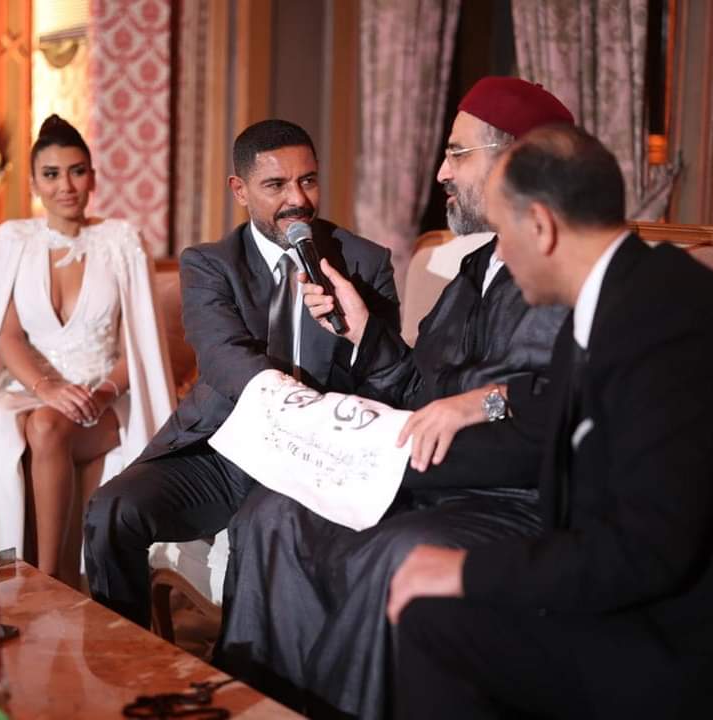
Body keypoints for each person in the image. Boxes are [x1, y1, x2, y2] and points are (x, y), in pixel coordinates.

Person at [390, 124, 713, 719]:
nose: (497, 256)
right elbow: (559, 409)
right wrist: (415, 442)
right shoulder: (618, 298)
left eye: (502, 233)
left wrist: (468, 570)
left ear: (541, 226)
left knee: (439, 620)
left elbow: (646, 549)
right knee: (439, 616)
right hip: (661, 614)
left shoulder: (670, 323)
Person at [216, 78, 574, 719]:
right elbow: (420, 389)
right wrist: (362, 333)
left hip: (508, 499)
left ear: (518, 160)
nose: (441, 173)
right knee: (272, 514)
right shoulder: (474, 269)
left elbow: (541, 407)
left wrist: (398, 455)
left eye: (457, 153)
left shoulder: (561, 271)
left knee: (394, 553)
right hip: (425, 475)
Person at [83, 119, 400, 627]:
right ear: (240, 190)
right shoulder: (209, 264)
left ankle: (241, 669)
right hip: (222, 447)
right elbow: (223, 357)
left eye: (308, 180)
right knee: (111, 510)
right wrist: (293, 405)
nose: (298, 199)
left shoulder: (363, 262)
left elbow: (386, 378)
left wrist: (357, 333)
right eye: (276, 185)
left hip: (311, 456)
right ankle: (124, 660)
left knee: (258, 531)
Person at [0, 115, 175, 583]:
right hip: (32, 390)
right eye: (52, 174)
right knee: (25, 420)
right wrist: (48, 387)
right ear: (34, 183)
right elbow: (7, 336)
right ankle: (35, 576)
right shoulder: (15, 241)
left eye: (77, 171)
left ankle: (49, 578)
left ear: (93, 177)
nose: (66, 186)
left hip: (106, 399)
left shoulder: (121, 241)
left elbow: (136, 351)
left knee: (45, 425)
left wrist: (100, 393)